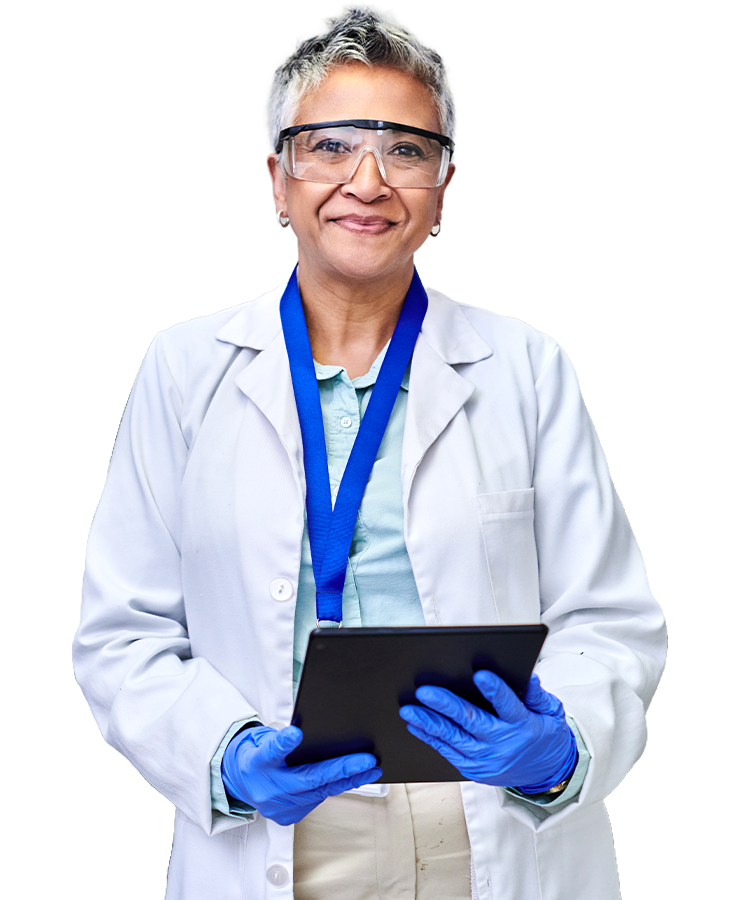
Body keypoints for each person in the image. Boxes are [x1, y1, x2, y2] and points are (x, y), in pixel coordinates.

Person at [72, 4, 667, 899]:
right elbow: (124, 632)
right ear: (278, 179)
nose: (367, 179)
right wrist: (227, 760)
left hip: (487, 822)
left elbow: (610, 621)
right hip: (286, 836)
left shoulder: (524, 369)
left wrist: (558, 748)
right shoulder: (185, 372)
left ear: (443, 186)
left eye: (405, 150)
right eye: (329, 145)